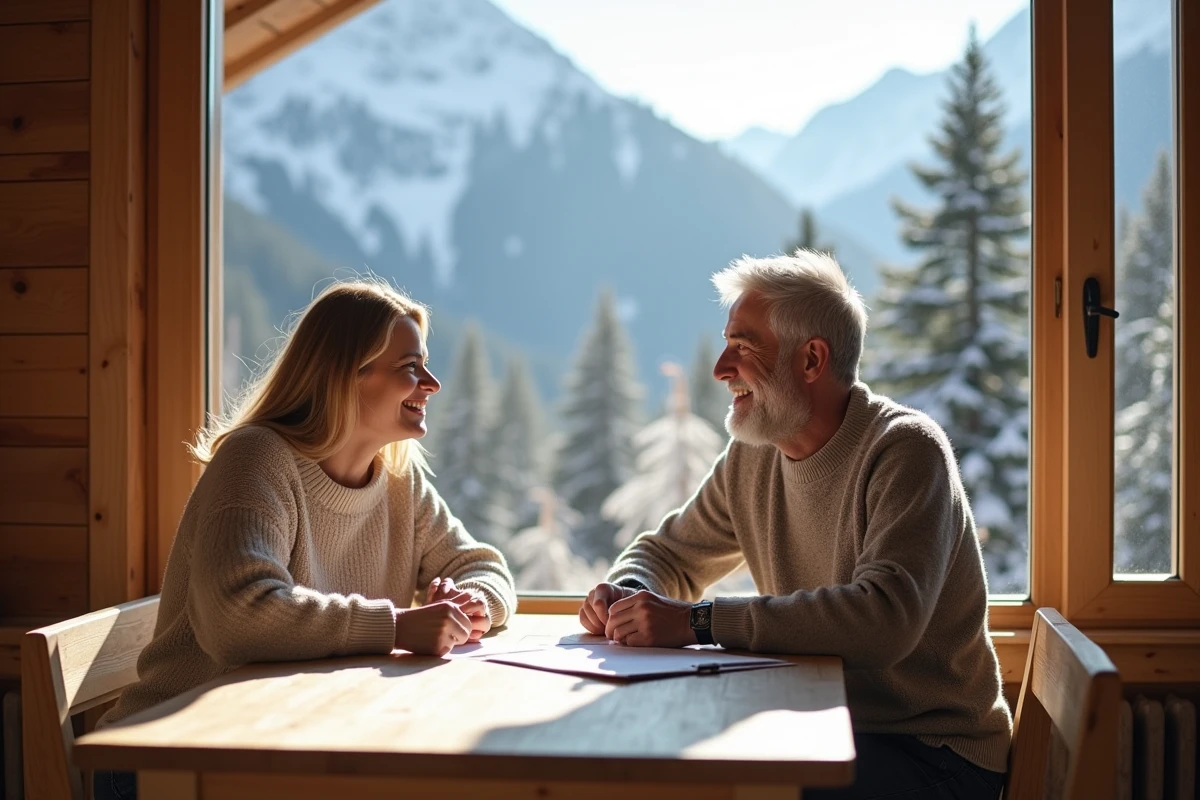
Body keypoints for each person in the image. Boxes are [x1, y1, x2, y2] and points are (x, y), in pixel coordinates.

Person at [580, 250, 1011, 800]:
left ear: (811, 360)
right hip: (823, 722)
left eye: (742, 346)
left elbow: (883, 620)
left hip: (931, 752)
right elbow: (667, 555)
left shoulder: (905, 450)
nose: (719, 369)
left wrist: (699, 622)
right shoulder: (755, 455)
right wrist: (627, 595)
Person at [94, 279, 516, 800]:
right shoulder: (256, 459)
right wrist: (397, 627)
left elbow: (483, 565)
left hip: (282, 744)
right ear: (344, 377)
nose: (431, 383)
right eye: (410, 368)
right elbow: (238, 614)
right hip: (166, 758)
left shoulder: (399, 481)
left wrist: (474, 604)